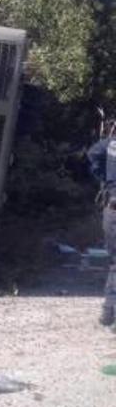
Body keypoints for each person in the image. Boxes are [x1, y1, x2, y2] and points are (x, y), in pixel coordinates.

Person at [87, 131, 116, 328]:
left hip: (112, 210)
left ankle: (108, 313)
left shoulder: (109, 145)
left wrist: (104, 180)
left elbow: (92, 154)